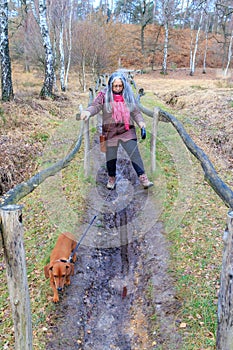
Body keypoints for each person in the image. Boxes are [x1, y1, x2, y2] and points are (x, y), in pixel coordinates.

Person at [80, 71, 153, 190]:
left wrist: (141, 123)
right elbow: (96, 106)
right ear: (110, 85)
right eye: (115, 86)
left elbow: (135, 112)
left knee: (134, 154)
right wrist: (88, 112)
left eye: (120, 86)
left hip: (126, 130)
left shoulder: (128, 95)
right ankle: (111, 178)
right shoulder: (104, 95)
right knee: (111, 157)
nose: (118, 88)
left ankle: (143, 178)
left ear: (124, 85)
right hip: (110, 131)